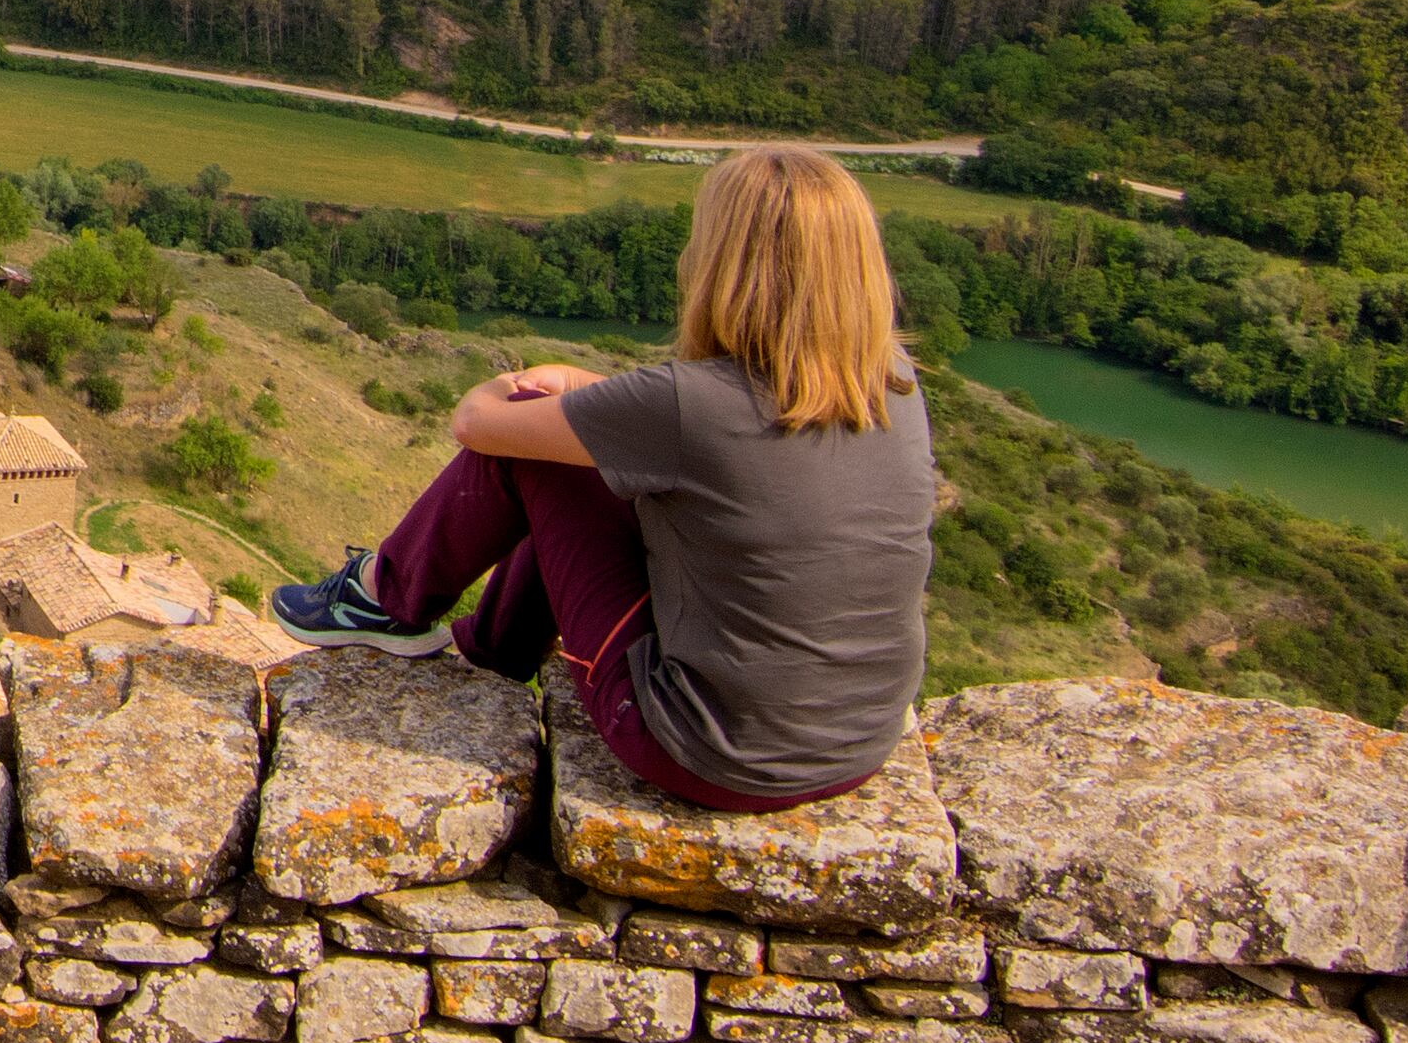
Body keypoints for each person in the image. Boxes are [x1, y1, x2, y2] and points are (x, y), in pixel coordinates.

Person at [269, 144, 936, 808]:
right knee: (584, 450)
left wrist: (513, 384)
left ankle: (384, 598)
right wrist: (592, 394)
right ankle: (490, 646)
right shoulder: (893, 383)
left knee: (534, 440)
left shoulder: (688, 405)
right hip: (858, 746)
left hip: (702, 751)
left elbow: (477, 424)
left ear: (724, 264)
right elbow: (708, 437)